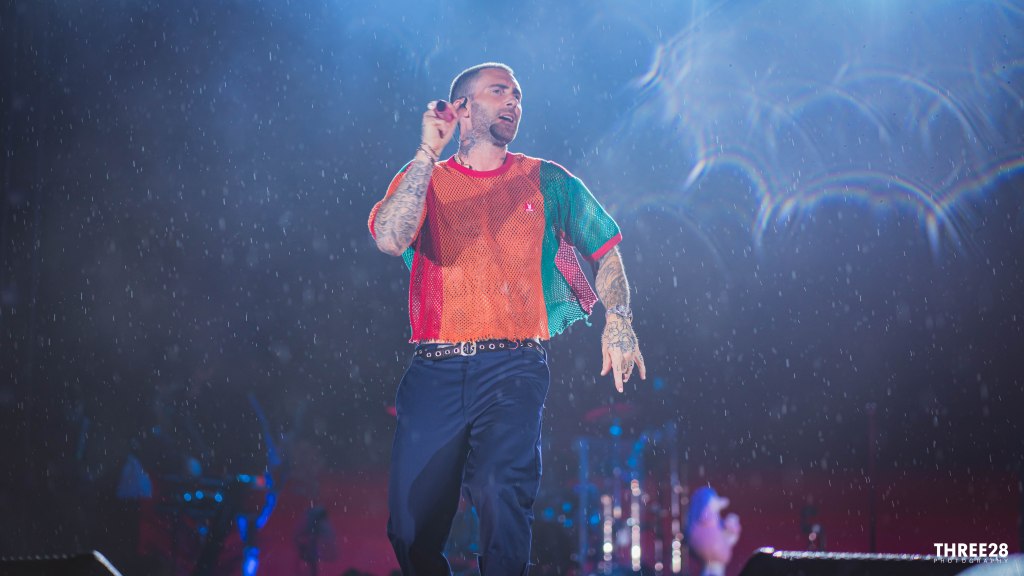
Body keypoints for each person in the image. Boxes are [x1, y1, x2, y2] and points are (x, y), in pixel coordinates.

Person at [368, 62, 646, 576]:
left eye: (518, 94)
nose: (514, 102)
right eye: (499, 91)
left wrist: (620, 319)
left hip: (513, 367)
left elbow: (605, 247)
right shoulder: (427, 179)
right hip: (434, 370)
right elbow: (389, 237)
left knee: (500, 489)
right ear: (462, 107)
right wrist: (427, 152)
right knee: (409, 526)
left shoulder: (546, 179)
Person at [685, 487, 742, 576]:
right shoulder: (706, 517)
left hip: (716, 556)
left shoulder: (714, 522)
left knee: (713, 570)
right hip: (713, 555)